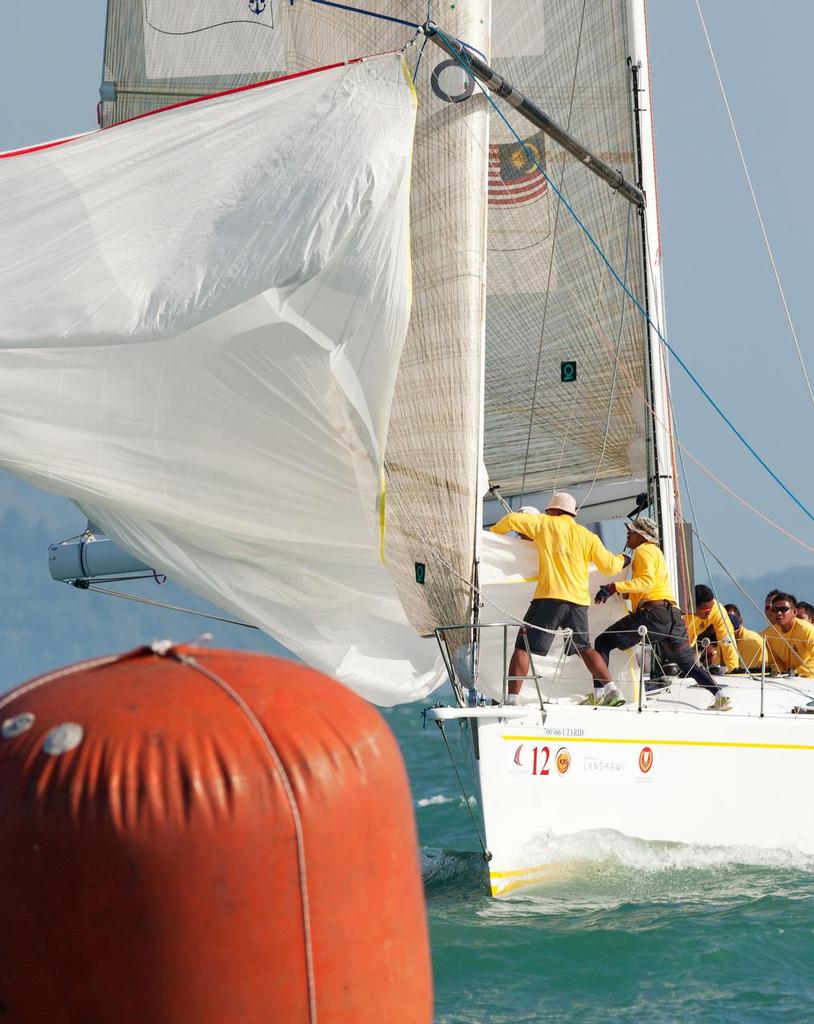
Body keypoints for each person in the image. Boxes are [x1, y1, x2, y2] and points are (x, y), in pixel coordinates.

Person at [490, 492, 629, 706]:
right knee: (585, 648)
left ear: (553, 510)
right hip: (579, 603)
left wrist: (494, 538)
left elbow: (510, 520)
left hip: (550, 598)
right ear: (571, 513)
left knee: (523, 646)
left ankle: (512, 699)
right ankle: (612, 690)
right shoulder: (587, 536)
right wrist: (623, 558)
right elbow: (609, 566)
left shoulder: (546, 523)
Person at [593, 516, 731, 711]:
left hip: (653, 614)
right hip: (673, 616)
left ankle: (602, 694)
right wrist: (623, 592)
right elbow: (650, 586)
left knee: (602, 642)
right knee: (687, 664)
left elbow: (646, 582)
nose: (627, 533)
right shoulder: (656, 553)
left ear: (641, 535)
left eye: (631, 531)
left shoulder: (642, 551)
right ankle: (720, 694)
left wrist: (612, 587)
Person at [686, 584, 739, 674]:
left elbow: (727, 639)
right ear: (694, 607)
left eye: (711, 608)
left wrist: (733, 669)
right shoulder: (682, 611)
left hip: (690, 645)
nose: (710, 613)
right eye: (706, 611)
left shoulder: (716, 610)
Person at [761, 593, 814, 677]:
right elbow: (774, 661)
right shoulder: (768, 634)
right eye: (775, 609)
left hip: (808, 682)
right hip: (784, 682)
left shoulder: (807, 629)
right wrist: (780, 673)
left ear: (795, 612)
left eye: (783, 609)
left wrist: (796, 673)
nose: (778, 613)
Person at [724, 603, 765, 673]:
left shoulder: (753, 640)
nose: (727, 625)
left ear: (740, 621)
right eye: (722, 622)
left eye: (731, 620)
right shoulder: (724, 640)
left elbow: (753, 672)